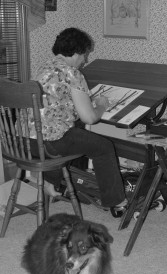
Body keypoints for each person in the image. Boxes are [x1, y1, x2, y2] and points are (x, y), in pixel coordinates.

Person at [29, 27, 128, 217]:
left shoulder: (45, 67)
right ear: (75, 53)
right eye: (85, 55)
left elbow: (55, 102)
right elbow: (90, 117)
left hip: (26, 142)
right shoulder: (72, 73)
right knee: (104, 146)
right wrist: (101, 104)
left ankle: (51, 180)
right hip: (50, 143)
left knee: (76, 132)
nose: (86, 60)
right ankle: (117, 202)